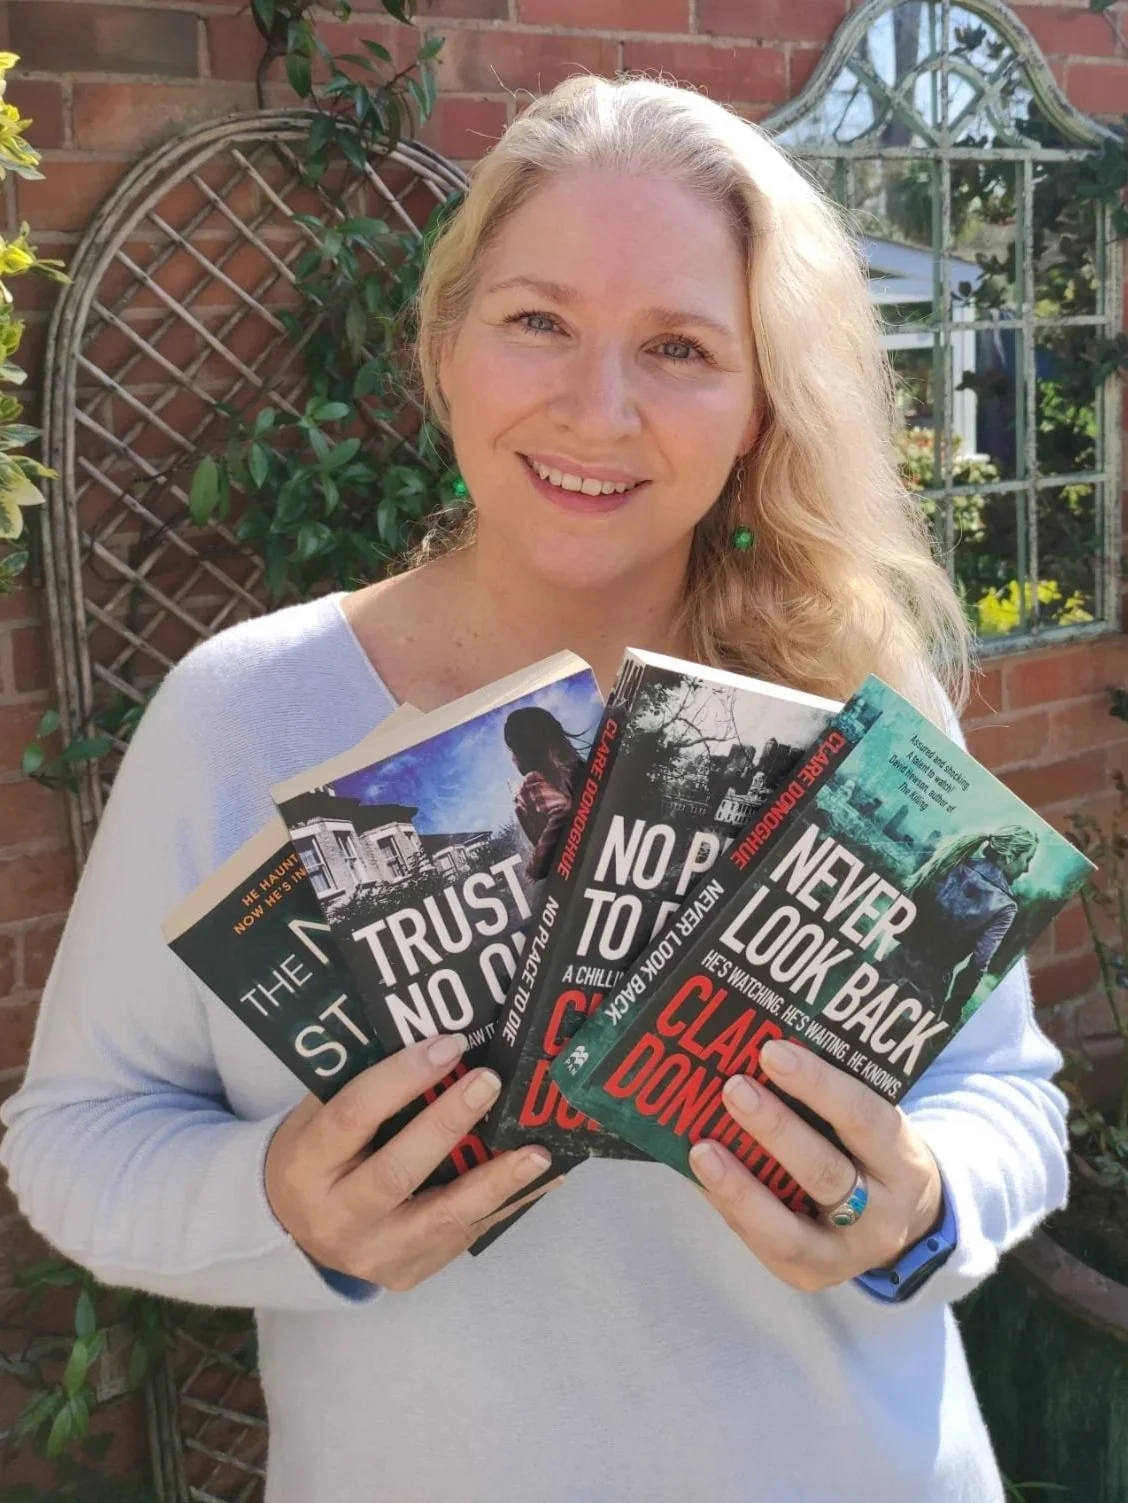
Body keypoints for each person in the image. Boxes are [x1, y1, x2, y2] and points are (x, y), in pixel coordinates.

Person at [1, 75, 1067, 1503]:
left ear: (759, 406)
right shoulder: (245, 714)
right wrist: (282, 1203)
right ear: (448, 350)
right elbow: (78, 1136)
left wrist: (920, 1205)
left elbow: (1007, 1091)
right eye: (538, 321)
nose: (597, 406)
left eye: (682, 346)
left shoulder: (850, 689)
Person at [904, 824, 1039, 1015]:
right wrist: (954, 1009)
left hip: (892, 964)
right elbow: (977, 964)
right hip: (928, 988)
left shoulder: (952, 863)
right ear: (1009, 856)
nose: (1026, 869)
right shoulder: (1005, 906)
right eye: (1027, 860)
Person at [503, 705, 585, 878]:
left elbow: (562, 809)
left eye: (514, 751)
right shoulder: (577, 770)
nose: (512, 759)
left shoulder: (531, 783)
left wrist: (537, 867)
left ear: (524, 753)